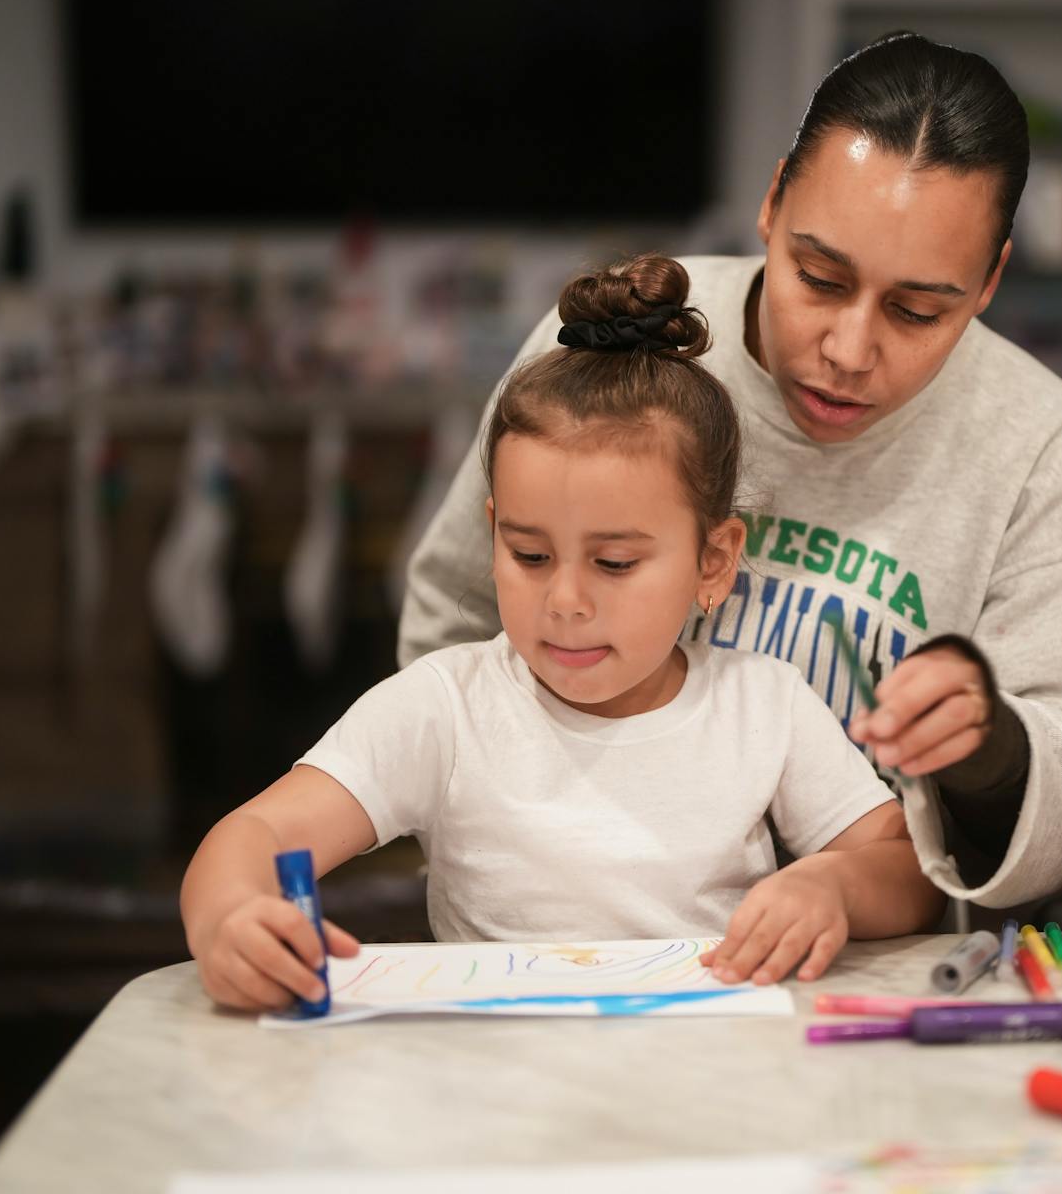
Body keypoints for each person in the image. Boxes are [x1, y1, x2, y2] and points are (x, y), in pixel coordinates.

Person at [400, 32, 1062, 908]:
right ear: (771, 204)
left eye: (916, 312)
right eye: (819, 278)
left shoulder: (1050, 451)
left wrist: (991, 751)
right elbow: (453, 620)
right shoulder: (622, 350)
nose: (849, 349)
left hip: (880, 963)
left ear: (988, 284)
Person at [180, 257, 943, 1010]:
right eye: (530, 555)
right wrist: (229, 920)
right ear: (493, 535)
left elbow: (906, 872)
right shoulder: (447, 708)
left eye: (614, 562)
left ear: (713, 561)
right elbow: (250, 836)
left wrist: (834, 885)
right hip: (498, 1098)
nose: (566, 600)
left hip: (705, 1091)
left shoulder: (763, 706)